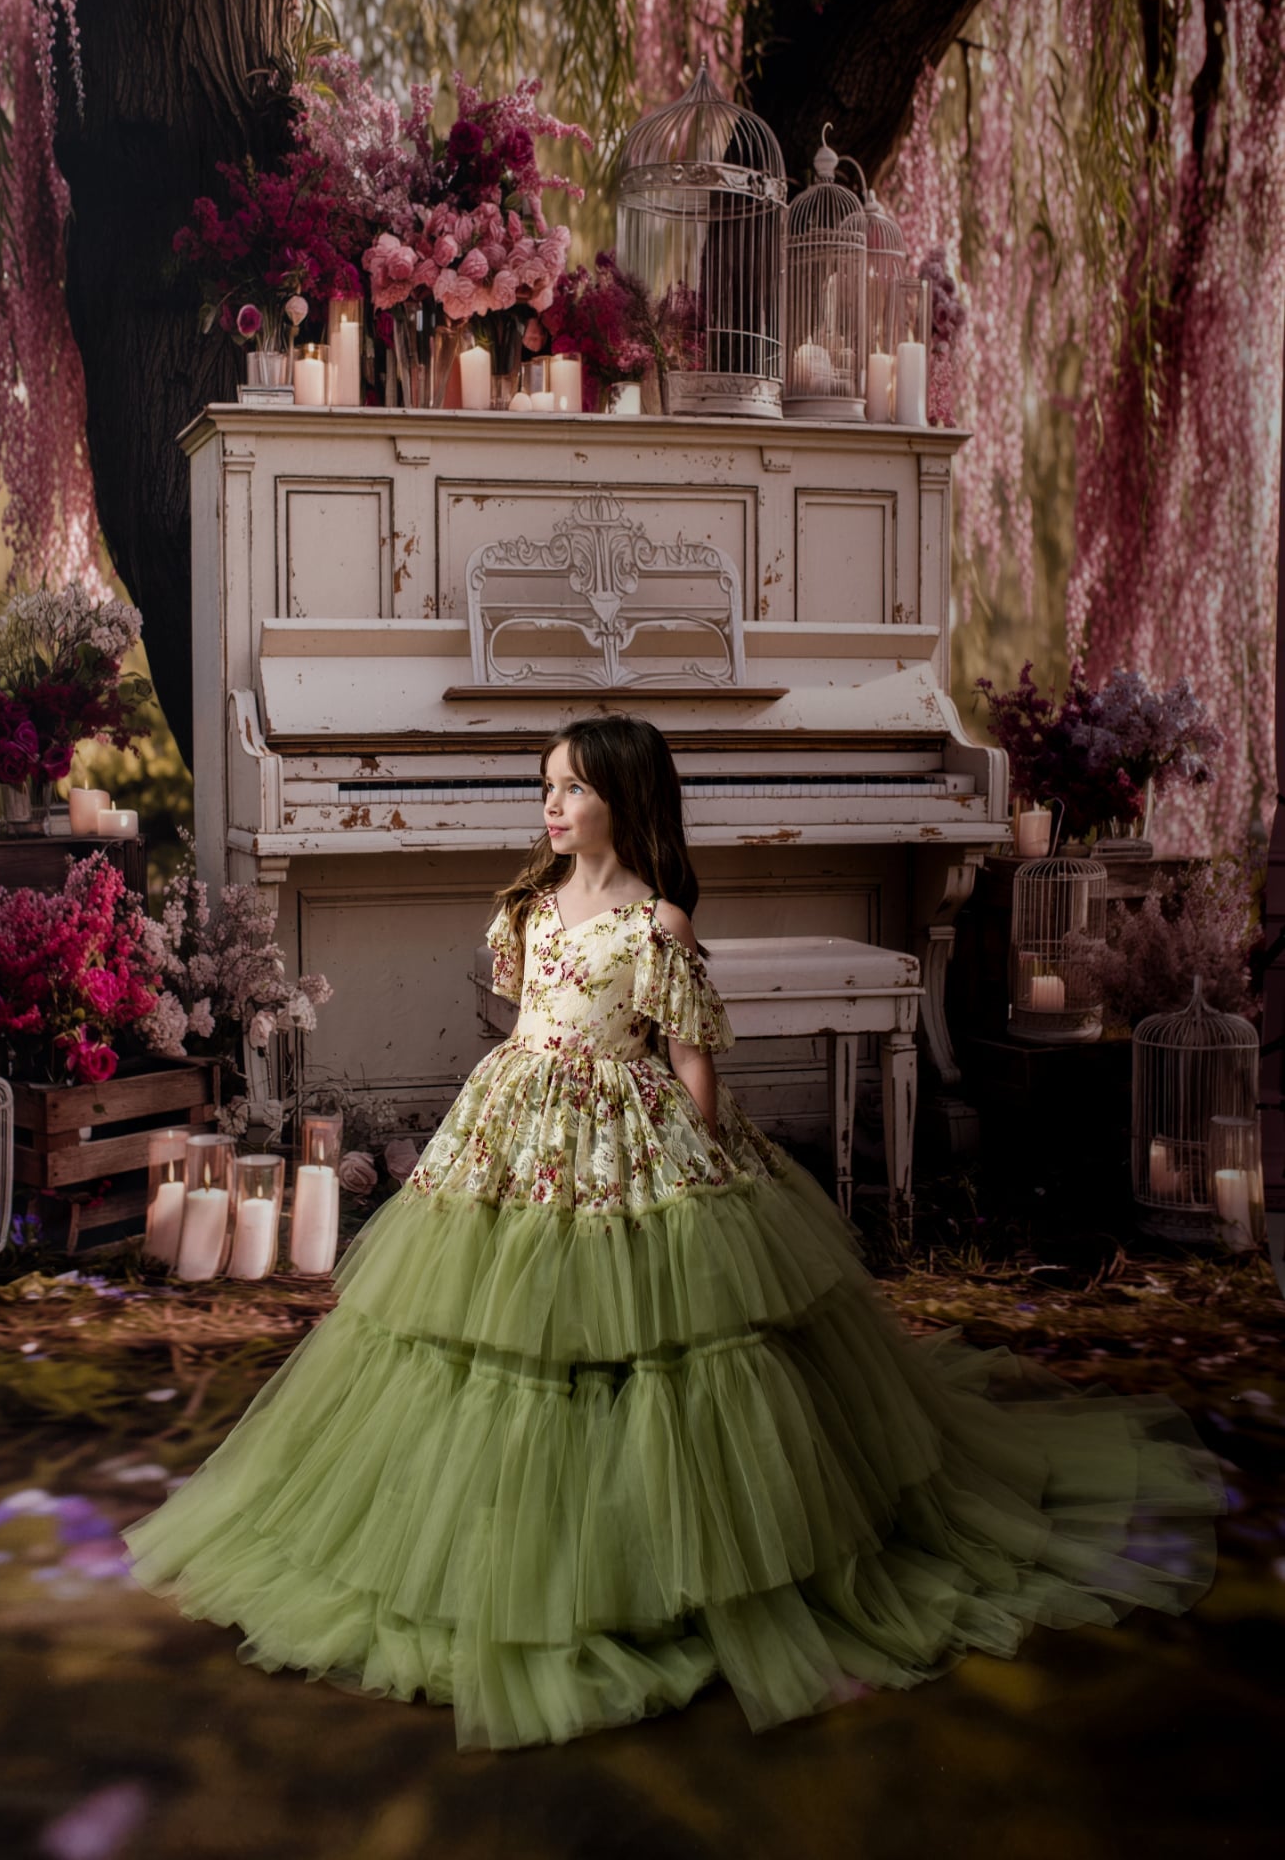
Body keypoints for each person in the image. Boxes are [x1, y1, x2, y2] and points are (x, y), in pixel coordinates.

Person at [123, 715, 1224, 1752]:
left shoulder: (658, 926)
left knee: (655, 1344)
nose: (550, 805)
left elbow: (694, 1069)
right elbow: (514, 1022)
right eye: (545, 787)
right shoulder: (520, 910)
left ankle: (656, 1559)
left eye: (573, 788)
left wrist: (690, 1186)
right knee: (490, 1328)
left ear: (625, 800)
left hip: (630, 1132)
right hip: (520, 1124)